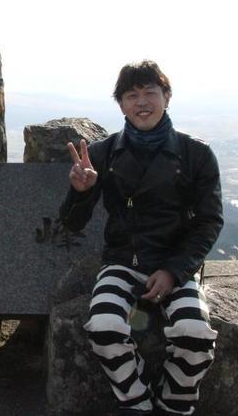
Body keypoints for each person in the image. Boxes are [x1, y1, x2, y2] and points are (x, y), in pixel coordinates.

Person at [60, 61, 223, 416]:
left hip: (175, 264)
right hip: (122, 261)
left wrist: (174, 271)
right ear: (120, 104)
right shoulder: (102, 153)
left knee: (195, 334)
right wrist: (81, 192)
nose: (142, 102)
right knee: (104, 327)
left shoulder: (195, 153)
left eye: (150, 92)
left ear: (167, 97)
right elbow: (72, 224)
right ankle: (136, 403)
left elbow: (209, 221)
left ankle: (174, 404)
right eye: (131, 95)